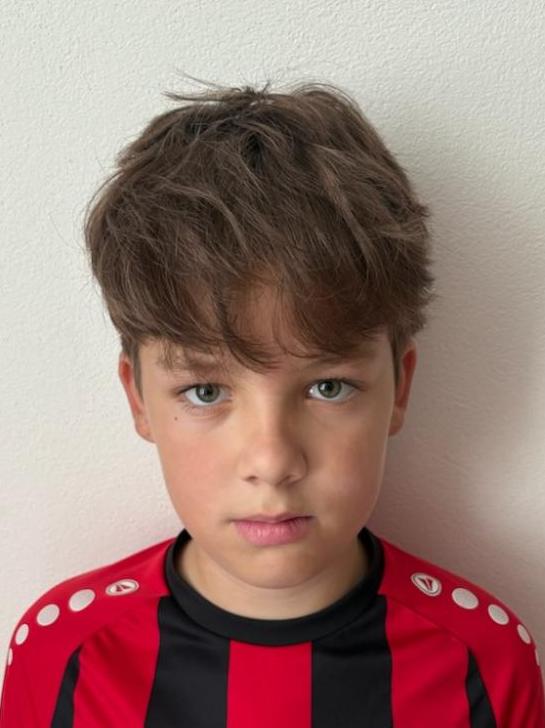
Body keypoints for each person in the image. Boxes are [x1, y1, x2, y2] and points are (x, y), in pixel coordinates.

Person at [1, 78, 544, 727]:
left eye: (327, 386)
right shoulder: (66, 657)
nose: (272, 461)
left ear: (399, 388)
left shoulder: (482, 663)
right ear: (139, 399)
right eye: (205, 392)